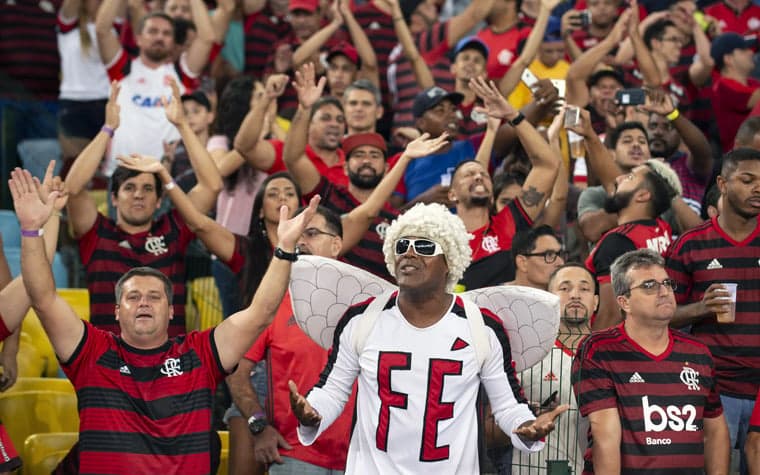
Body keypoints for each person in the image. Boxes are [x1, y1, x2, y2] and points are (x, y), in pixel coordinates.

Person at [12, 164, 321, 475]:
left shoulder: (199, 353)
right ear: (117, 311)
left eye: (155, 297)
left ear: (172, 310)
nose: (143, 302)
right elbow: (42, 297)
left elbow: (260, 313)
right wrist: (31, 230)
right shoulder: (92, 351)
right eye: (133, 297)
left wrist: (283, 249)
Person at [288, 202, 568, 473]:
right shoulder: (362, 318)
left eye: (423, 247)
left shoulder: (482, 326)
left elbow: (508, 405)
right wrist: (314, 412)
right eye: (402, 246)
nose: (409, 254)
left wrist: (526, 427)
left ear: (450, 261)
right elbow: (333, 390)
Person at [64, 81, 224, 336]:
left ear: (159, 200)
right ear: (113, 198)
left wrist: (181, 125)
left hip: (169, 364)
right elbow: (72, 189)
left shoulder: (174, 229)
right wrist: (108, 129)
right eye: (129, 188)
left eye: (148, 188)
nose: (138, 194)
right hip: (110, 362)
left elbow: (212, 185)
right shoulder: (96, 234)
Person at [283, 60, 449, 280]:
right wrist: (304, 110)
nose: (367, 161)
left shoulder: (397, 220)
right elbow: (293, 158)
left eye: (374, 155)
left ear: (387, 166)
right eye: (359, 155)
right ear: (344, 165)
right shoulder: (329, 196)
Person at [573, 249, 730, 474]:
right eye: (649, 286)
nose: (664, 291)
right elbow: (605, 437)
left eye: (667, 283)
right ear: (624, 302)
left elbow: (715, 429)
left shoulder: (698, 352)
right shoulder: (599, 349)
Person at [227, 206, 356, 475]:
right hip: (296, 458)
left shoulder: (367, 302)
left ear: (336, 245)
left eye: (310, 233)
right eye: (296, 235)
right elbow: (236, 374)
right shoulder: (271, 304)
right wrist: (259, 427)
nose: (300, 242)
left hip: (361, 459)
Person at [665, 147, 760, 474]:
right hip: (714, 389)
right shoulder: (690, 245)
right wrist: (700, 308)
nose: (757, 189)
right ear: (722, 183)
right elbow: (662, 316)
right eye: (747, 180)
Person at [448, 78, 560, 290]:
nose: (479, 177)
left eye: (483, 174)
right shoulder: (439, 236)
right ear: (452, 195)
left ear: (492, 195)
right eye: (468, 175)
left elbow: (548, 165)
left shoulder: (508, 223)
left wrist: (513, 115)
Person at [94, 4, 214, 175]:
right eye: (153, 31)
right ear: (138, 38)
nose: (160, 37)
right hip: (121, 171)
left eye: (166, 33)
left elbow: (207, 39)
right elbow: (102, 30)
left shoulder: (182, 73)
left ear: (173, 42)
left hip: (167, 174)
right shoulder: (121, 68)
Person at [512, 263, 597, 475]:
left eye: (584, 289)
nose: (575, 295)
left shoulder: (612, 356)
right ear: (548, 299)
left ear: (595, 302)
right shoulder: (525, 355)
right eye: (565, 288)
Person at [585, 160, 677, 330]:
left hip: (618, 345)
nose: (618, 179)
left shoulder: (617, 242)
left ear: (642, 195)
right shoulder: (661, 228)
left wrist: (588, 353)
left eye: (629, 177)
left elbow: (612, 314)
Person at [711, 32, 760, 153]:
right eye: (744, 50)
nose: (751, 52)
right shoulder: (722, 87)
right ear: (728, 59)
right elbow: (754, 100)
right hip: (738, 158)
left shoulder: (752, 83)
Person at [506, 226, 567, 290]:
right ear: (522, 263)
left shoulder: (567, 297)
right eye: (549, 255)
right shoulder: (497, 297)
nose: (561, 263)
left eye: (560, 255)